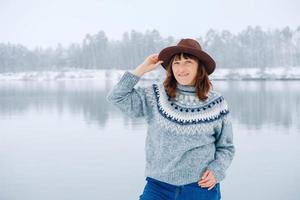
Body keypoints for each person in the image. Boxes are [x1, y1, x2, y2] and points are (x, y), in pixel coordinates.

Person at [106, 38, 235, 200]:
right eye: (176, 63)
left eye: (188, 62)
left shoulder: (216, 102)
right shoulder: (156, 96)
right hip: (158, 186)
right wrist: (141, 69)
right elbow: (116, 97)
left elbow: (226, 147)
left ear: (199, 67)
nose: (181, 68)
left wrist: (217, 170)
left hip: (200, 187)